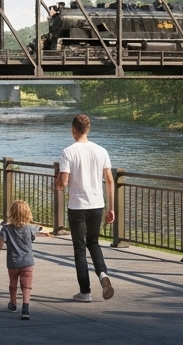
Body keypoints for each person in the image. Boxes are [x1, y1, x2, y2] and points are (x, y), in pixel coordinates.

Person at [56, 113, 115, 303]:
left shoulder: (68, 152)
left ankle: (85, 292)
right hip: (97, 204)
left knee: (80, 249)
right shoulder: (101, 151)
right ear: (88, 129)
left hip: (77, 206)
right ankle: (103, 276)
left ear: (73, 130)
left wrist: (56, 185)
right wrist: (111, 208)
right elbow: (110, 180)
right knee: (94, 243)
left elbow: (63, 182)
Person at [0, 199, 43, 320]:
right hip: (27, 262)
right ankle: (25, 308)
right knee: (26, 286)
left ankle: (13, 304)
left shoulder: (6, 229)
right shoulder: (30, 228)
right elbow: (38, 228)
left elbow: (0, 244)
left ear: (11, 214)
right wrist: (42, 229)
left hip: (13, 262)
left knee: (13, 284)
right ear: (28, 214)